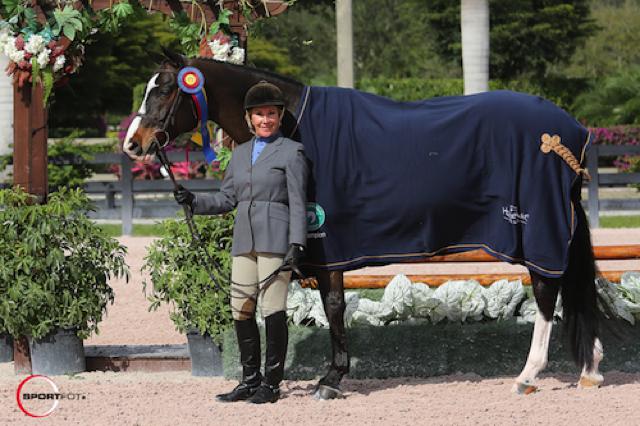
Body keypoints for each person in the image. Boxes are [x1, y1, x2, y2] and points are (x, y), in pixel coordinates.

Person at [174, 81, 308, 404]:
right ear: (249, 118)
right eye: (260, 114)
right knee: (241, 307)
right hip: (244, 239)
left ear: (279, 117)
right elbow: (227, 198)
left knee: (273, 308)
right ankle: (250, 379)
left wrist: (297, 244)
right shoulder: (240, 153)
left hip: (276, 239)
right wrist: (193, 201)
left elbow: (299, 202)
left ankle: (272, 383)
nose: (266, 120)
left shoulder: (292, 152)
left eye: (272, 114)